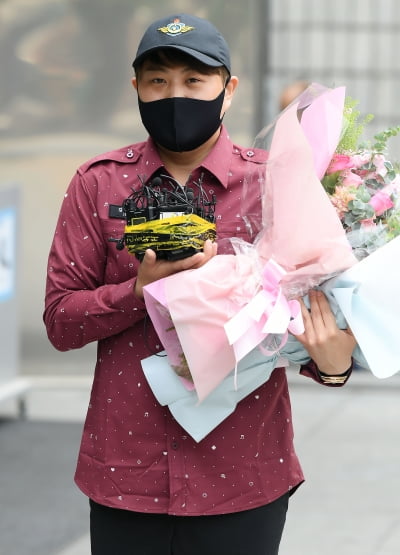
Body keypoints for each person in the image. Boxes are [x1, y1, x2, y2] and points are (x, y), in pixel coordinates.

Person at [43, 13, 356, 555]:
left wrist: (335, 365)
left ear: (228, 90)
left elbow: (317, 322)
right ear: (136, 87)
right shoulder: (96, 182)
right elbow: (60, 323)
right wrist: (137, 293)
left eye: (194, 81)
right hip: (125, 472)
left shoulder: (276, 182)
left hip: (244, 473)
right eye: (158, 81)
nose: (174, 96)